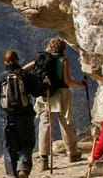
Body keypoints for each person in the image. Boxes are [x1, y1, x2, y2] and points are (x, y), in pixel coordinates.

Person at [26, 37, 86, 169]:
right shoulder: (63, 60)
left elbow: (24, 70)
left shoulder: (41, 59)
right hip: (62, 94)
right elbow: (67, 81)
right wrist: (81, 84)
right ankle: (72, 153)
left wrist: (34, 84)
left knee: (45, 126)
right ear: (63, 48)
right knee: (66, 123)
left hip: (45, 95)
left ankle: (44, 159)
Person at [0, 50, 39, 178]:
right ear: (18, 60)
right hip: (26, 117)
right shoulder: (24, 75)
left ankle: (13, 175)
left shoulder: (1, 78)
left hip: (8, 119)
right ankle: (23, 170)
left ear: (6, 62)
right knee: (26, 145)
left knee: (10, 148)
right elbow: (38, 91)